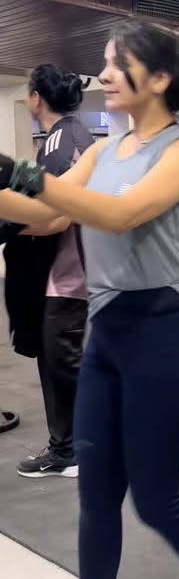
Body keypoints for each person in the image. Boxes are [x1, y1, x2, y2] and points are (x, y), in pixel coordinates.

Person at [0, 21, 179, 579]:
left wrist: (21, 173)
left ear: (160, 78)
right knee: (95, 499)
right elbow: (52, 215)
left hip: (165, 336)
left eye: (118, 64)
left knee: (155, 501)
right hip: (107, 335)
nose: (104, 75)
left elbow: (118, 215)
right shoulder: (102, 150)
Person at [3, 65, 93, 478]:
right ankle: (72, 446)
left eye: (27, 92)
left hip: (66, 275)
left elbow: (56, 218)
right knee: (60, 363)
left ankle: (68, 452)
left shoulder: (61, 142)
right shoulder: (70, 137)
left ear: (37, 97)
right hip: (66, 273)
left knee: (61, 365)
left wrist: (8, 228)